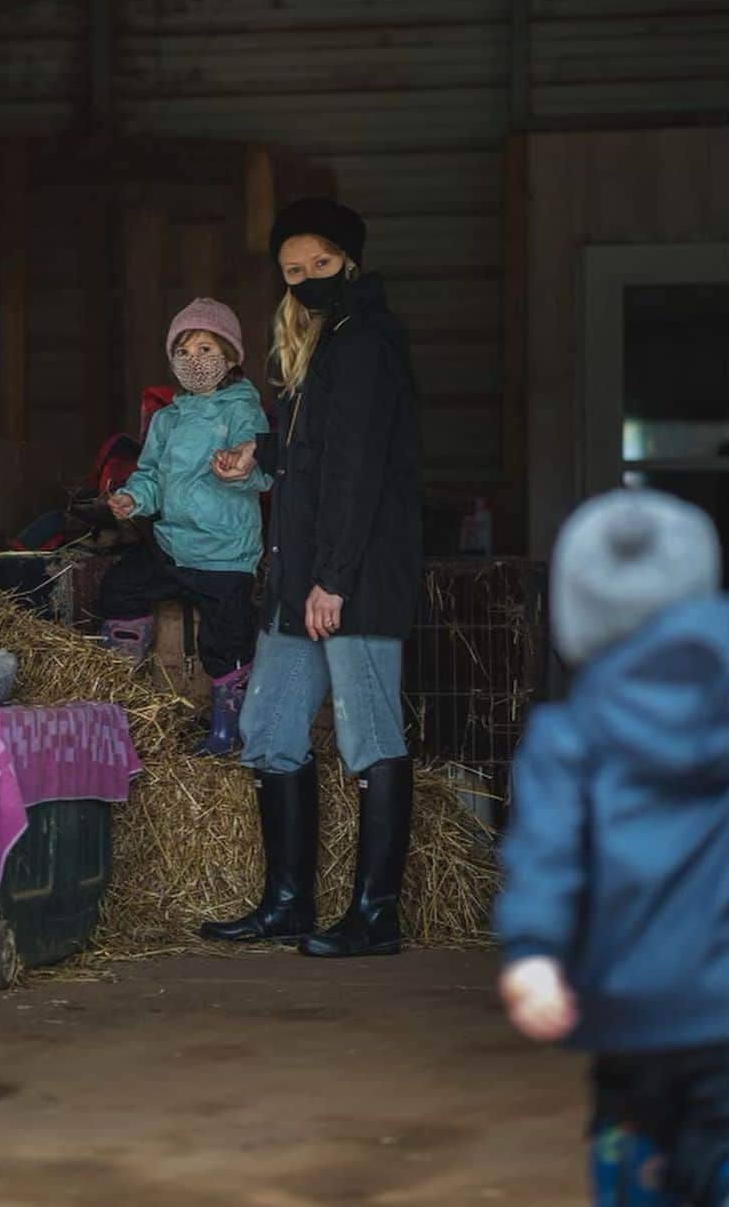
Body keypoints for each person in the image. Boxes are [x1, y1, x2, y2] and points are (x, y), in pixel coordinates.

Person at [200, 197, 422, 958]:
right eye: (293, 272)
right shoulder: (319, 346)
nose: (306, 281)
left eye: (320, 265)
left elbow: (357, 472)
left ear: (349, 261)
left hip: (347, 581)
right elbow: (318, 459)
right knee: (268, 732)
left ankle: (375, 915)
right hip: (301, 579)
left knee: (368, 733)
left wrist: (333, 578)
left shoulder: (365, 343)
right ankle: (288, 903)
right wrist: (260, 456)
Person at [495, 490, 729, 1207]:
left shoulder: (569, 738)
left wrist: (532, 953)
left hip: (631, 1014)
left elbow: (546, 855)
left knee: (636, 1161)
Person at [99, 297, 270, 756]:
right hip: (173, 543)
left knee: (227, 638)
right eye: (184, 351)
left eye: (206, 350)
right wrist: (133, 498)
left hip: (224, 551)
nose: (194, 361)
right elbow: (151, 474)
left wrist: (242, 465)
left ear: (231, 356)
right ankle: (125, 699)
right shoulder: (167, 418)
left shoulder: (243, 408)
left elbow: (267, 466)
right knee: (120, 587)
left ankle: (226, 730)